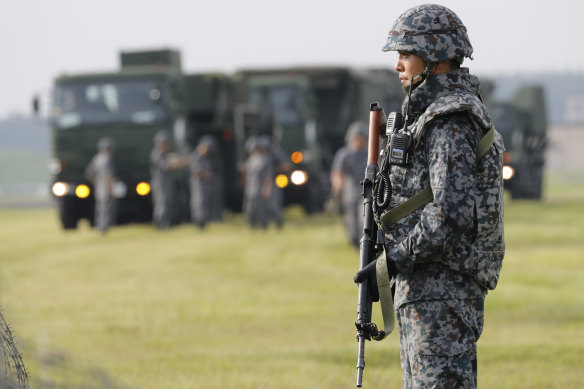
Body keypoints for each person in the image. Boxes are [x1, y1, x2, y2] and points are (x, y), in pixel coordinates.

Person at [354, 4, 505, 388]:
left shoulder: (450, 120)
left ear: (435, 56)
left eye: (406, 54)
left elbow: (448, 214)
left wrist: (393, 262)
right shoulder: (433, 114)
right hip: (428, 287)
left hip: (442, 291)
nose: (398, 65)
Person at [330, 121, 368, 247]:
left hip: (365, 193)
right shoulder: (344, 154)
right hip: (350, 193)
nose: (360, 141)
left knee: (363, 220)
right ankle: (354, 242)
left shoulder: (369, 153)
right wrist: (337, 188)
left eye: (363, 138)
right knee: (351, 223)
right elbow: (337, 172)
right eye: (358, 138)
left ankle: (363, 245)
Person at [150, 130, 189, 229]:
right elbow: (166, 166)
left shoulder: (164, 154)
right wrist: (181, 163)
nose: (167, 145)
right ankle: (161, 224)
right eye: (165, 143)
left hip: (166, 182)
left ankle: (166, 223)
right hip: (160, 183)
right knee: (162, 202)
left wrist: (179, 162)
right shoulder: (157, 153)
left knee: (168, 202)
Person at [85, 136, 117, 234]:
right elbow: (109, 176)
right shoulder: (106, 160)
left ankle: (100, 227)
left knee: (100, 209)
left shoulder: (97, 158)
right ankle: (104, 229)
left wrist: (96, 183)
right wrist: (111, 189)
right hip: (106, 189)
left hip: (99, 189)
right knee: (106, 209)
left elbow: (89, 174)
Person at [242, 136, 273, 229]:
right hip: (250, 187)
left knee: (261, 208)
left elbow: (268, 176)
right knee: (250, 208)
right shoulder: (251, 160)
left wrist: (267, 188)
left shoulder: (264, 160)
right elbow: (248, 173)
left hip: (260, 187)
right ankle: (252, 225)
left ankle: (264, 225)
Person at [189, 135, 217, 228]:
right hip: (199, 185)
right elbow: (197, 172)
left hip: (206, 185)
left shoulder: (206, 158)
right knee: (199, 203)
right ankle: (199, 223)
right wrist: (208, 175)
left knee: (204, 204)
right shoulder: (196, 156)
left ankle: (203, 222)